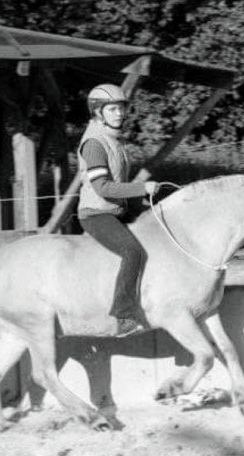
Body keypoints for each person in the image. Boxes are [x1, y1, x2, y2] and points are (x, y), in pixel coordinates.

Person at [77, 83, 158, 337]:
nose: (119, 114)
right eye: (112, 109)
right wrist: (142, 188)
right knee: (132, 251)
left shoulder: (114, 141)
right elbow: (103, 187)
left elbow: (119, 186)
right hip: (96, 214)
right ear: (98, 112)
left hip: (116, 210)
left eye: (121, 108)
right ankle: (123, 316)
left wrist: (144, 203)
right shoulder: (94, 144)